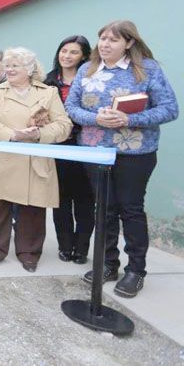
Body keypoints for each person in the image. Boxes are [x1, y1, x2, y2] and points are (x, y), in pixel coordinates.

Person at [66, 20, 178, 297]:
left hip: (134, 154)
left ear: (128, 43)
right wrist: (96, 118)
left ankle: (136, 270)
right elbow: (71, 106)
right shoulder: (87, 69)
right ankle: (108, 264)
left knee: (131, 209)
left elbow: (170, 109)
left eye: (113, 39)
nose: (105, 44)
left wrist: (129, 119)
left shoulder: (147, 69)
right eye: (102, 38)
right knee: (104, 209)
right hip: (95, 152)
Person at [0, 47, 72, 272]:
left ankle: (29, 254)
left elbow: (64, 125)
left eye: (15, 66)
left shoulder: (48, 92)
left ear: (29, 69)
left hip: (35, 159)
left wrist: (40, 134)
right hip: (3, 158)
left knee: (33, 210)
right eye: (7, 66)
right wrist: (12, 135)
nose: (9, 70)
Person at [44, 35, 94, 264]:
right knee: (61, 199)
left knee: (85, 200)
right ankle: (65, 246)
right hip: (58, 146)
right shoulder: (48, 81)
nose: (67, 56)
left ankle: (81, 249)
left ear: (84, 56)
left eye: (74, 52)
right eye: (64, 51)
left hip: (85, 145)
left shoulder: (92, 81)